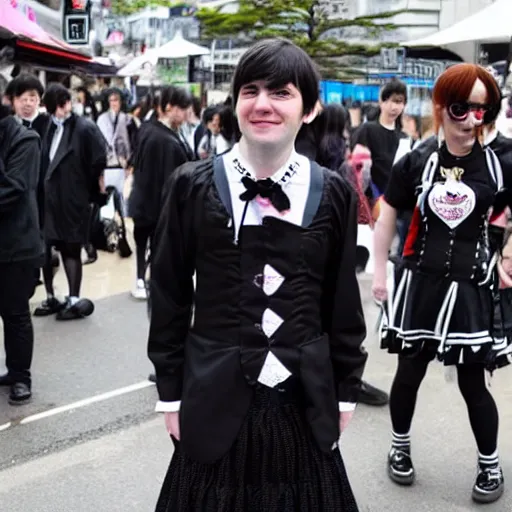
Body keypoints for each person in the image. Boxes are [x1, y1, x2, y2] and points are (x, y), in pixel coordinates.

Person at [148, 38, 367, 511]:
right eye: (251, 90)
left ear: (308, 109)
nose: (263, 104)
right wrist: (170, 395)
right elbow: (168, 294)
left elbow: (341, 300)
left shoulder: (332, 192)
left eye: (281, 92)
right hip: (212, 396)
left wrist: (346, 391)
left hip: (303, 404)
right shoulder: (191, 184)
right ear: (235, 103)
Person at [372, 63, 509, 504]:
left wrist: (507, 253)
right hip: (420, 283)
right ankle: (399, 447)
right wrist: (378, 273)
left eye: (481, 111)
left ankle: (490, 466)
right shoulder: (415, 160)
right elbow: (386, 215)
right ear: (440, 106)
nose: (471, 120)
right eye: (460, 108)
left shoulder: (500, 163)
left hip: (470, 287)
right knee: (409, 371)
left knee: (473, 381)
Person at [34, 84, 107, 320]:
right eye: (53, 110)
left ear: (67, 104)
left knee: (71, 247)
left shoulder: (84, 128)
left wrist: (87, 191)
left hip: (73, 198)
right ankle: (50, 296)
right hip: (49, 198)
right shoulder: (50, 126)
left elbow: (98, 161)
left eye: (59, 108)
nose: (57, 114)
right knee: (46, 248)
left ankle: (74, 299)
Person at [129, 86, 193, 300]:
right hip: (157, 206)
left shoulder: (151, 129)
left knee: (143, 245)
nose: (185, 114)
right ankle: (147, 281)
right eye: (182, 109)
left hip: (144, 202)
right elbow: (172, 179)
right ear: (168, 107)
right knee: (157, 248)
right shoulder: (165, 139)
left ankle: (141, 279)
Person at [0, 104, 42, 404]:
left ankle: (20, 376)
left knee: (15, 314)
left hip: (17, 244)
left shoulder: (25, 140)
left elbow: (14, 188)